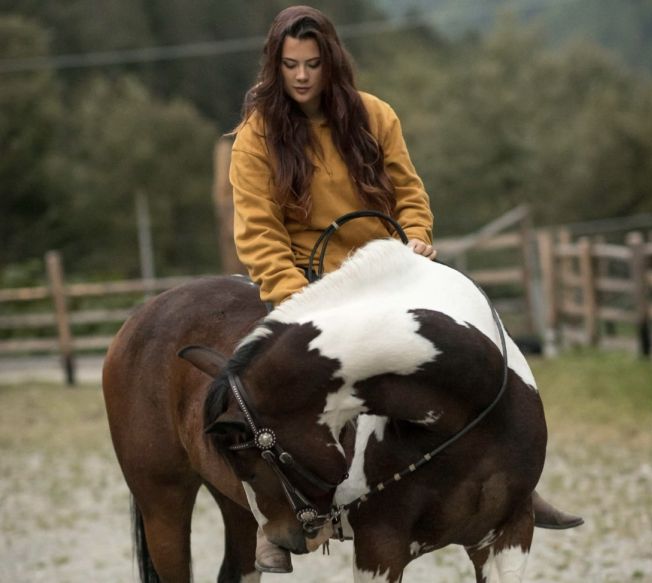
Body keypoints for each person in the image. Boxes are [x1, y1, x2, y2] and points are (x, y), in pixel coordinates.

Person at [229, 5, 582, 574]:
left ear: (331, 63)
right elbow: (258, 231)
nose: (301, 76)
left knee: (475, 336)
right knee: (264, 397)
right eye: (290, 64)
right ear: (274, 65)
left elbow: (410, 196)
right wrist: (300, 305)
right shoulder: (257, 137)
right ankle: (285, 514)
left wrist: (416, 239)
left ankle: (511, 475)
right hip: (310, 286)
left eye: (312, 64)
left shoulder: (374, 115)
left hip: (391, 271)